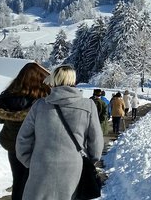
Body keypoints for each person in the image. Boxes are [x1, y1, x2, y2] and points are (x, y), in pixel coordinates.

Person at [16, 65, 104, 200]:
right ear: (74, 80)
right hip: (73, 166)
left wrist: (31, 162)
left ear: (54, 80)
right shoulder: (88, 106)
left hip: (42, 165)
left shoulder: (40, 105)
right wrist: (89, 160)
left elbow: (23, 139)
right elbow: (96, 143)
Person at [0, 62, 50, 200]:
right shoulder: (43, 99)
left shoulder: (7, 96)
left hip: (13, 145)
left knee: (19, 181)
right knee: (37, 183)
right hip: (37, 145)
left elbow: (0, 119)